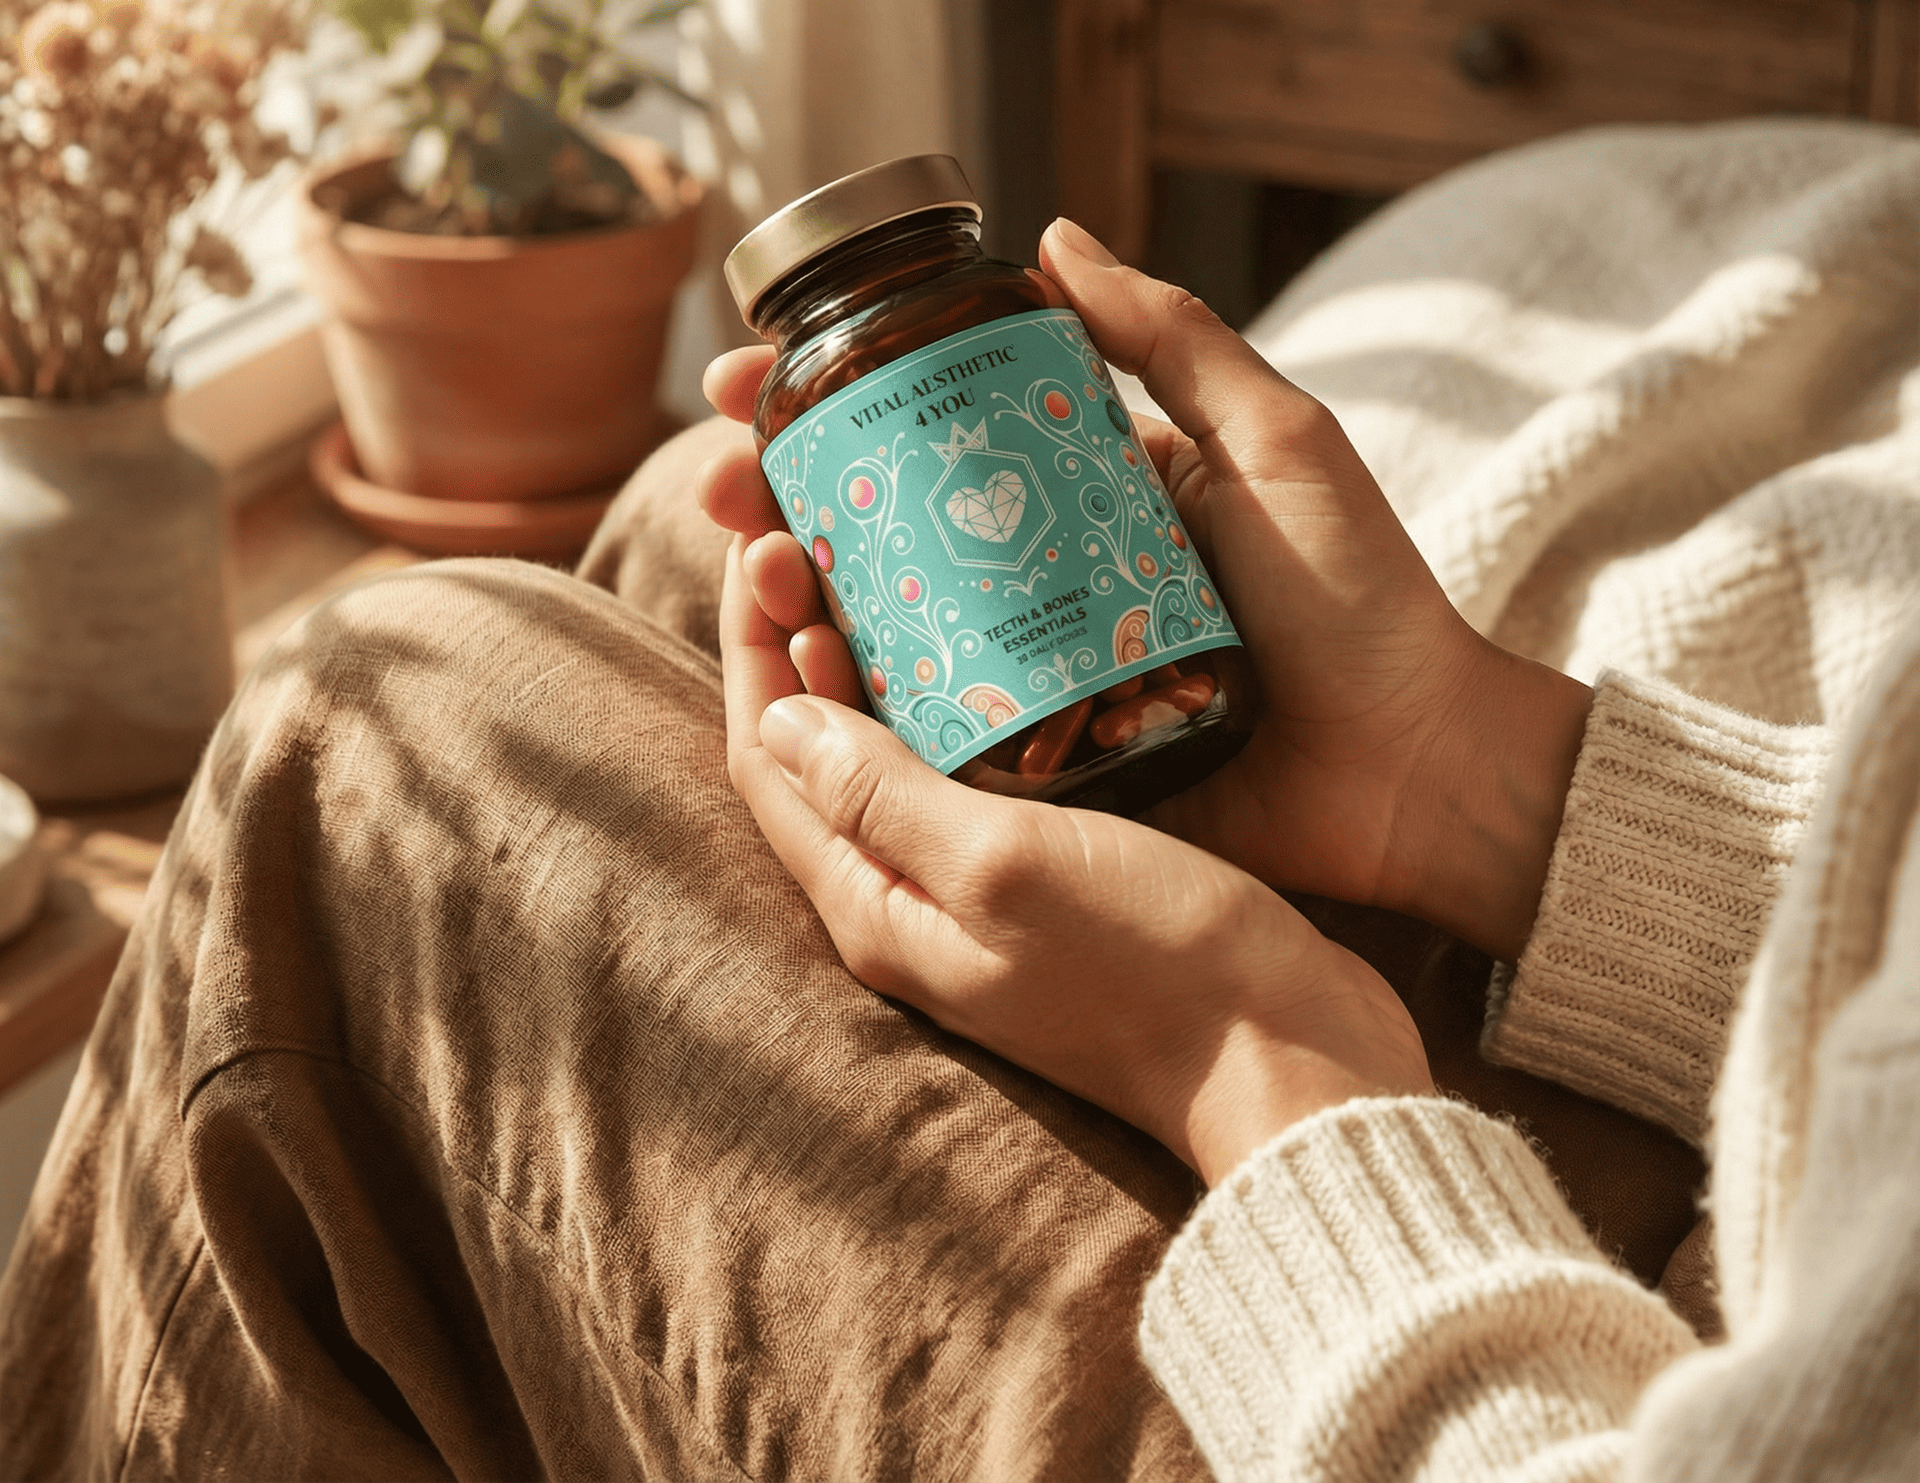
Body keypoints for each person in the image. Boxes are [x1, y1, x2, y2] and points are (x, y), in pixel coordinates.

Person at [2, 120, 1915, 1480]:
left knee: (376, 729)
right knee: (695, 524)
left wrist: (1253, 1053)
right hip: (1797, 1224)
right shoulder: (910, 349)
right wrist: (1474, 779)